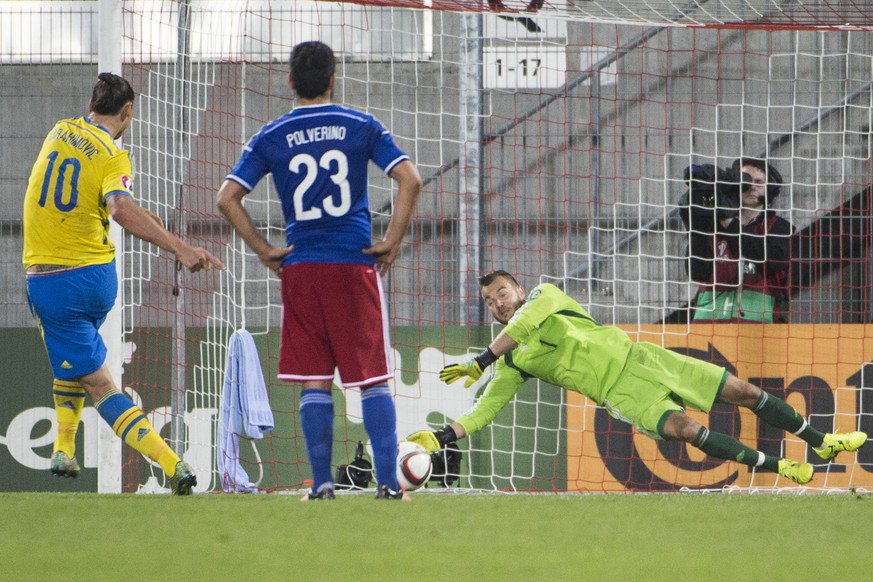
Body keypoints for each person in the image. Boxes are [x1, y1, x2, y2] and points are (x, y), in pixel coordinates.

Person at [408, 270, 867, 486]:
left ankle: (821, 439)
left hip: (644, 358)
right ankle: (779, 466)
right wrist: (444, 434)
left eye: (502, 294)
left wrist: (483, 358)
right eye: (490, 302)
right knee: (688, 430)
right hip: (620, 392)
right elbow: (486, 408)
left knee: (743, 390)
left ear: (520, 290)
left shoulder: (545, 296)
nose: (498, 304)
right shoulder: (513, 363)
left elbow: (525, 324)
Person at [217, 41, 422, 501]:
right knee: (371, 378)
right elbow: (410, 179)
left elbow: (226, 197)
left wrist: (264, 249)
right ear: (333, 78)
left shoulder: (271, 134)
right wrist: (391, 240)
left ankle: (323, 485)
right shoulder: (360, 125)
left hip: (302, 266)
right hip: (352, 263)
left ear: (290, 81)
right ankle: (389, 487)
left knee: (315, 378)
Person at [23, 73, 225, 494]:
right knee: (73, 360)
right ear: (127, 110)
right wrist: (180, 245)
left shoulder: (59, 130)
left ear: (92, 103)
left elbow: (120, 210)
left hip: (55, 280)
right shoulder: (112, 155)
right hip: (94, 278)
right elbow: (124, 204)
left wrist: (178, 249)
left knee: (100, 385)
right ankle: (64, 448)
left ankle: (174, 465)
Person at [680, 157, 792, 323]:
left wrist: (729, 222)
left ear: (769, 189)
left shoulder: (778, 227)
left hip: (756, 328)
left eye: (759, 182)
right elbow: (697, 272)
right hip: (708, 323)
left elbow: (770, 260)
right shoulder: (712, 225)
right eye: (745, 181)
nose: (752, 187)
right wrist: (695, 228)